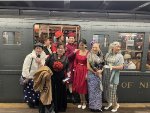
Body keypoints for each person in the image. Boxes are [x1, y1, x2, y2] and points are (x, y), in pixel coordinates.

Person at [45, 43, 69, 113]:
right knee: (51, 93)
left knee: (60, 93)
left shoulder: (66, 58)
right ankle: (51, 108)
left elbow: (68, 71)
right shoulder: (51, 56)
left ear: (64, 50)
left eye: (62, 48)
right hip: (51, 78)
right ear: (56, 49)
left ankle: (60, 108)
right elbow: (45, 66)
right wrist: (47, 75)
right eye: (59, 48)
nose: (60, 49)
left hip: (61, 80)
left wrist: (65, 80)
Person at [22, 42, 47, 108]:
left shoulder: (43, 56)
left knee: (38, 91)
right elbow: (25, 67)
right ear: (34, 49)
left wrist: (40, 62)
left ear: (42, 49)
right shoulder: (30, 56)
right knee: (30, 91)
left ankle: (37, 103)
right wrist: (27, 76)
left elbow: (43, 67)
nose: (38, 50)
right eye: (37, 48)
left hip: (39, 78)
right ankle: (31, 104)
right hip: (30, 77)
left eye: (40, 48)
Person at [103, 41, 124, 112]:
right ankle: (109, 103)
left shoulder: (120, 56)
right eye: (117, 46)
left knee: (113, 92)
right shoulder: (108, 54)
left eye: (119, 47)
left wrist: (112, 67)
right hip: (106, 75)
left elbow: (121, 67)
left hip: (114, 76)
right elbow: (105, 63)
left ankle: (115, 106)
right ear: (112, 47)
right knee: (107, 91)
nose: (119, 48)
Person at [87, 42, 104, 112]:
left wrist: (101, 71)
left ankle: (98, 107)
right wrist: (95, 72)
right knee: (92, 91)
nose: (94, 48)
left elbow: (103, 65)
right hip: (91, 75)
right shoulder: (89, 55)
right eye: (93, 47)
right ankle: (92, 107)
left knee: (98, 91)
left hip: (99, 75)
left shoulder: (101, 55)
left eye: (96, 47)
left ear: (99, 47)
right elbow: (88, 67)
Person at [72, 39, 88, 109]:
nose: (81, 46)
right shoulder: (77, 51)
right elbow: (75, 61)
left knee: (83, 86)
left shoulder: (88, 53)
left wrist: (87, 73)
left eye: (82, 45)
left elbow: (89, 64)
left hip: (84, 70)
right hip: (78, 70)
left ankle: (84, 102)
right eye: (80, 45)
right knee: (78, 86)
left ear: (85, 45)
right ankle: (81, 101)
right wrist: (75, 68)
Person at [65, 32, 78, 101]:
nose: (72, 39)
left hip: (75, 66)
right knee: (69, 80)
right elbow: (66, 57)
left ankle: (73, 94)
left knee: (74, 81)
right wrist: (73, 53)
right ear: (68, 39)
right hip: (69, 66)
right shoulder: (66, 47)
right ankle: (70, 95)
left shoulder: (76, 46)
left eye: (73, 38)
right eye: (70, 38)